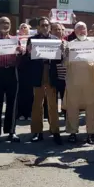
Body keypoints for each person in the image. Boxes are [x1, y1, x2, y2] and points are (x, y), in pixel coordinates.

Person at [64, 20, 94, 144]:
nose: (81, 31)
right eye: (78, 28)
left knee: (92, 108)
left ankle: (91, 133)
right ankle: (72, 132)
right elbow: (64, 64)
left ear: (86, 30)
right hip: (73, 82)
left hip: (91, 81)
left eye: (83, 28)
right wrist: (66, 55)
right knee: (72, 108)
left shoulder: (93, 43)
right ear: (74, 31)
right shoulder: (69, 44)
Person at [25, 17, 63, 145]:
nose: (45, 27)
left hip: (51, 73)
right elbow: (27, 60)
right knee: (37, 104)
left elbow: (59, 60)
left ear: (49, 27)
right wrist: (28, 53)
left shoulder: (55, 40)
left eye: (47, 25)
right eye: (42, 25)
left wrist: (61, 52)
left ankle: (55, 131)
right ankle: (37, 132)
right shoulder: (32, 40)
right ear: (39, 27)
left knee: (53, 104)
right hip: (38, 73)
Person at [0, 17, 24, 142]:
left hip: (12, 72)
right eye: (2, 22)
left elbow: (20, 59)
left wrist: (21, 52)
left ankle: (11, 132)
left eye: (7, 23)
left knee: (12, 104)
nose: (5, 25)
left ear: (10, 25)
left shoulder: (15, 40)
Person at [51, 22, 67, 117]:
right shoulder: (47, 44)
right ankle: (53, 121)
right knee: (53, 101)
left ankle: (66, 119)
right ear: (51, 31)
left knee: (65, 99)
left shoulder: (68, 43)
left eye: (60, 29)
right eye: (55, 29)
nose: (58, 31)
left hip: (65, 76)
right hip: (52, 74)